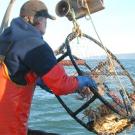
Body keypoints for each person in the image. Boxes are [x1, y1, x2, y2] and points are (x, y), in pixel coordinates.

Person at [0, 0, 97, 135]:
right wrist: (85, 80)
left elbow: (18, 71)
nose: (46, 24)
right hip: (10, 130)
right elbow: (61, 85)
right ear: (37, 20)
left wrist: (75, 88)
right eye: (46, 20)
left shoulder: (7, 36)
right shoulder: (35, 45)